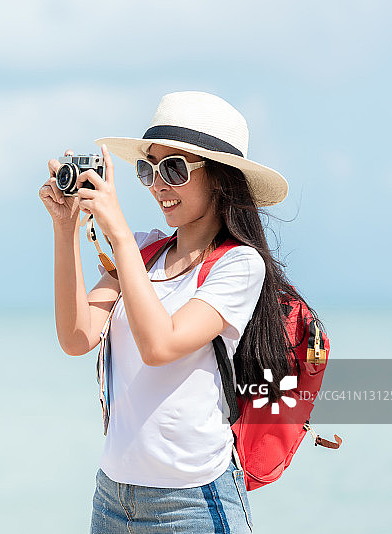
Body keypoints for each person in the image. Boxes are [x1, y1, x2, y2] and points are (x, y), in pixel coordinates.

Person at [39, 91, 318, 533]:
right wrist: (65, 226)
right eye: (148, 169)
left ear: (220, 178)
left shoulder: (239, 265)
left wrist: (119, 235)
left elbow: (160, 345)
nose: (158, 185)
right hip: (112, 498)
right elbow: (76, 337)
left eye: (173, 169)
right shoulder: (144, 252)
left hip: (192, 503)